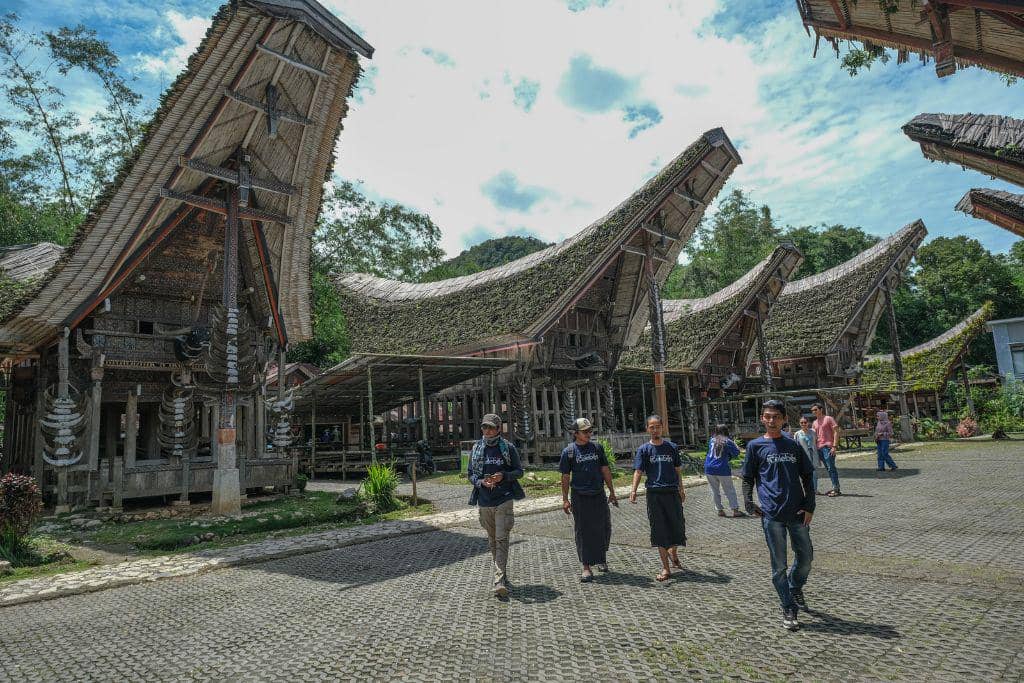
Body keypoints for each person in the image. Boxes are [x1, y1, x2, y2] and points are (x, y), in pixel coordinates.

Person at [742, 399, 815, 631]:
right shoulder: (755, 447)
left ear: (784, 420)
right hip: (771, 515)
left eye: (775, 416)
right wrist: (748, 501)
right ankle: (788, 606)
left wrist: (810, 506)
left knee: (805, 559)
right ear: (762, 419)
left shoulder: (793, 445)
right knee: (779, 566)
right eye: (767, 416)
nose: (771, 420)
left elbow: (807, 476)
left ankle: (794, 587)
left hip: (797, 512)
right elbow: (748, 477)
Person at [467, 413, 525, 598]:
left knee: (501, 539)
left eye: (491, 427)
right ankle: (502, 573)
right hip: (484, 501)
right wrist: (481, 482)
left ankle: (498, 579)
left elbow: (519, 471)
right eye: (485, 427)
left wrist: (503, 476)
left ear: (499, 429)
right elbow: (470, 474)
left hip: (504, 499)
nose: (488, 430)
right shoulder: (477, 448)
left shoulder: (507, 448)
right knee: (492, 540)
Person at [560, 418, 619, 582]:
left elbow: (605, 470)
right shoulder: (569, 452)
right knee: (583, 531)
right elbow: (565, 477)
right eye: (585, 431)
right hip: (580, 496)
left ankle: (601, 558)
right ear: (576, 433)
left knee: (603, 527)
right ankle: (586, 566)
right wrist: (565, 499)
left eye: (590, 431)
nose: (588, 434)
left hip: (598, 494)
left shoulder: (597, 448)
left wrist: (612, 492)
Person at [629, 415, 686, 581]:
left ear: (663, 427)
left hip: (672, 493)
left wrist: (681, 488)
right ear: (647, 429)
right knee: (659, 530)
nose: (655, 430)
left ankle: (673, 552)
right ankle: (665, 568)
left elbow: (677, 470)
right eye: (651, 427)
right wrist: (633, 490)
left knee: (678, 527)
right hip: (654, 494)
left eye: (658, 427)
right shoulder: (644, 450)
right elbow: (638, 471)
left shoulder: (672, 448)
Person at [703, 424, 745, 518]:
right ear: (726, 431)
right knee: (729, 490)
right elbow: (736, 453)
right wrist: (736, 445)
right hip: (721, 468)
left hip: (709, 468)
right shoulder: (728, 441)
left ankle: (720, 510)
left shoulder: (711, 440)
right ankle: (735, 510)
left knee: (714, 490)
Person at [811, 403, 842, 497]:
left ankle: (836, 489)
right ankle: (834, 487)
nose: (814, 412)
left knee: (831, 468)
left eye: (815, 410)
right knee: (828, 469)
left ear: (821, 409)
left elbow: (836, 432)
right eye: (812, 411)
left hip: (828, 447)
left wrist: (834, 446)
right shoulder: (814, 422)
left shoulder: (829, 418)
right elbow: (814, 436)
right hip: (818, 448)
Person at [793, 415, 821, 496]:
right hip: (804, 456)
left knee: (815, 474)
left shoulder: (813, 431)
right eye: (801, 423)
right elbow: (796, 446)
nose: (803, 424)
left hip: (813, 455)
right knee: (805, 474)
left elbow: (817, 442)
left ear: (808, 423)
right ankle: (806, 490)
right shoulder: (797, 434)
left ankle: (815, 489)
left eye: (805, 422)